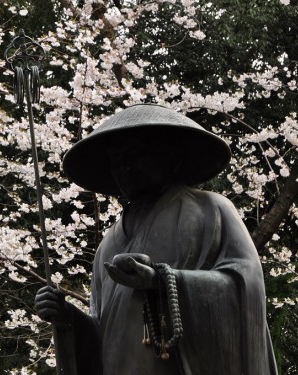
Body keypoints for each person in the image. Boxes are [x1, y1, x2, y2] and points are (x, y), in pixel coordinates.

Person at [35, 104, 278, 374]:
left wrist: (162, 281)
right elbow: (103, 331)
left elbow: (246, 285)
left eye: (134, 154)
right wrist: (67, 317)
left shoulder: (211, 209)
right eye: (115, 160)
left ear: (170, 155)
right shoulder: (108, 244)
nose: (122, 167)